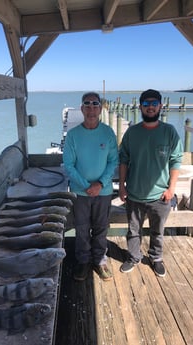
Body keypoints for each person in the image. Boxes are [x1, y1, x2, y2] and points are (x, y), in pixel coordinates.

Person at [118, 89, 183, 277]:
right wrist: (122, 186)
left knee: (158, 231)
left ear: (160, 106)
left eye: (154, 103)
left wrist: (171, 189)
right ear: (140, 107)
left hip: (161, 195)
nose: (150, 107)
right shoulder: (132, 132)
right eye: (146, 104)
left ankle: (156, 258)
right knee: (133, 230)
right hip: (134, 194)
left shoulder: (169, 131)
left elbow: (176, 161)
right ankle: (133, 257)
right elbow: (123, 160)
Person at [63, 92, 118, 281]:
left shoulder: (108, 132)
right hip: (81, 192)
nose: (91, 108)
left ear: (100, 109)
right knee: (82, 228)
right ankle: (83, 261)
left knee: (101, 227)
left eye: (95, 104)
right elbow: (69, 165)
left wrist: (100, 184)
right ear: (82, 108)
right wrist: (87, 186)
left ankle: (100, 261)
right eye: (87, 104)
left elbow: (113, 161)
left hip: (104, 191)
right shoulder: (73, 135)